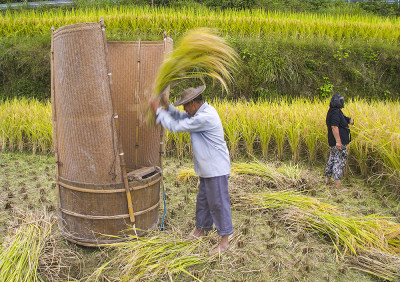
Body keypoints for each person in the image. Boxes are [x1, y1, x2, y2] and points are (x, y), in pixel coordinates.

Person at [149, 85, 233, 255]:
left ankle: (224, 241)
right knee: (203, 200)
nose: (185, 110)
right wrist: (167, 106)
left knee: (218, 203)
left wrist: (158, 110)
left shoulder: (206, 116)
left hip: (216, 168)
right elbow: (180, 117)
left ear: (193, 103)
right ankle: (200, 230)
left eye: (186, 106)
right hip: (207, 169)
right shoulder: (198, 113)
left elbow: (177, 126)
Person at [325, 94, 354, 189]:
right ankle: (338, 187)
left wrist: (349, 120)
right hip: (338, 143)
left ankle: (327, 182)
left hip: (333, 142)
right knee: (339, 161)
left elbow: (343, 119)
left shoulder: (333, 111)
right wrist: (338, 142)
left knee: (332, 159)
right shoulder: (336, 113)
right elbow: (334, 126)